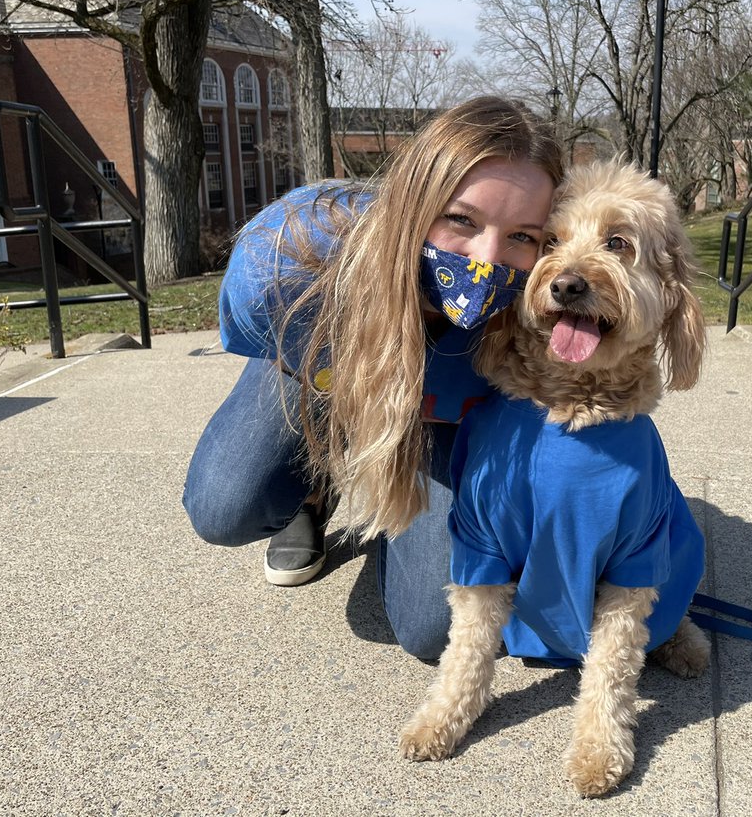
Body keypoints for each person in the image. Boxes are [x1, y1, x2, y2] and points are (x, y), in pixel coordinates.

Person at [183, 96, 564, 660]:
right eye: (461, 219)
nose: (487, 259)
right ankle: (312, 490)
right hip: (323, 369)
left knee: (434, 629)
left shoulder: (542, 303)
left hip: (445, 416)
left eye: (523, 237)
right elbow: (267, 344)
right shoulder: (285, 264)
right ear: (413, 200)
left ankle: (399, 531)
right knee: (225, 506)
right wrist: (353, 389)